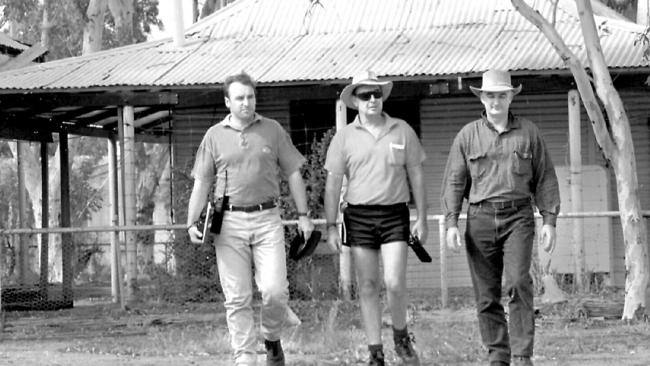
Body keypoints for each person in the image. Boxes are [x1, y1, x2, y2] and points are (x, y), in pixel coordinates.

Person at [186, 71, 314, 366]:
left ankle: (271, 338)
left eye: (251, 97)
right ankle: (244, 357)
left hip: (267, 218)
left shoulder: (272, 130)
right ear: (228, 101)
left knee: (274, 290)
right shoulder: (214, 136)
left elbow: (293, 172)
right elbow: (202, 182)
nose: (246, 103)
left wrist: (304, 216)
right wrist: (191, 222)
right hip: (228, 223)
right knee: (237, 296)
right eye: (240, 98)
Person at [441, 69, 560, 366]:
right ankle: (498, 355)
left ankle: (522, 355)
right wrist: (452, 222)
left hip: (518, 216)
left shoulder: (529, 132)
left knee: (519, 282)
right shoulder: (467, 135)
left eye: (502, 95)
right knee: (486, 294)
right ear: (482, 97)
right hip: (480, 218)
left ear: (510, 97)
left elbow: (545, 177)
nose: (496, 101)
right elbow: (455, 180)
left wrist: (549, 220)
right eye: (490, 95)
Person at [324, 70, 428, 366]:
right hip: (358, 216)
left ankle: (401, 337)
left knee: (394, 282)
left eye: (377, 94)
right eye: (365, 95)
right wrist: (331, 226)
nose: (372, 99)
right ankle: (375, 352)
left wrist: (421, 217)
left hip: (395, 213)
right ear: (354, 101)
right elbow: (333, 184)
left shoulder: (402, 129)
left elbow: (417, 174)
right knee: (368, 285)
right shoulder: (343, 137)